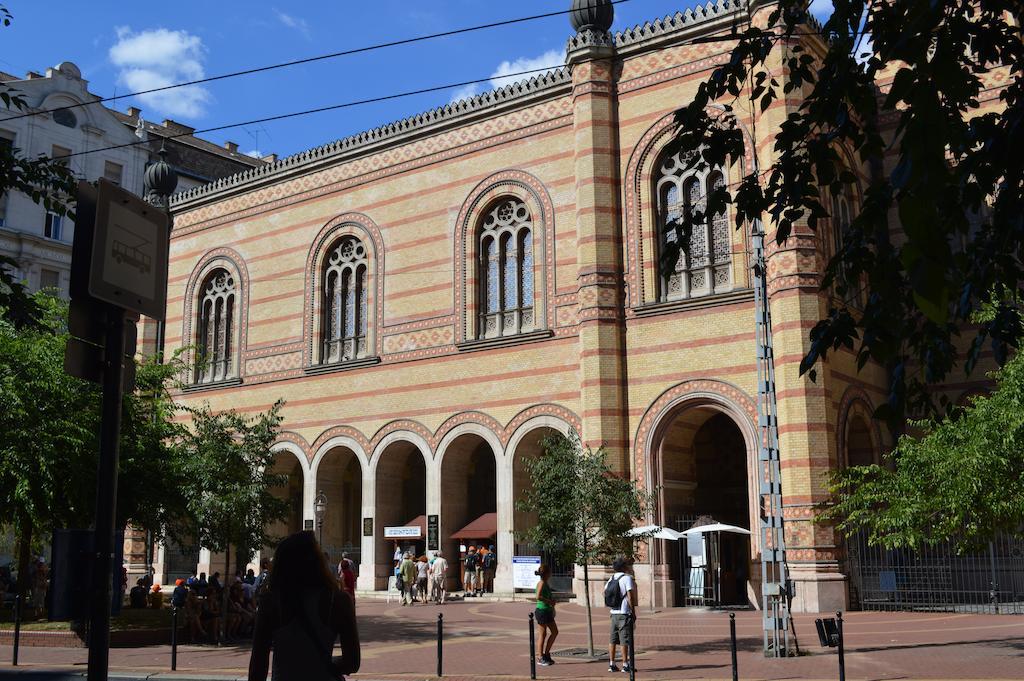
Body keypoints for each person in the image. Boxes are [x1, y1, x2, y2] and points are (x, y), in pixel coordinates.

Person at [248, 531, 360, 681]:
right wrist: (325, 663)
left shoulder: (271, 601)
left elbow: (258, 664)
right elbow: (352, 662)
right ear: (318, 561)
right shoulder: (339, 601)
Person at [606, 557, 638, 673]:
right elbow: (630, 596)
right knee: (625, 640)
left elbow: (604, 592)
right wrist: (633, 611)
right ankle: (625, 665)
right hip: (624, 613)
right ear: (624, 567)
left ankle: (612, 664)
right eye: (627, 565)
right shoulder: (626, 579)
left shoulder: (611, 578)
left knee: (613, 640)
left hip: (613, 613)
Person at [534, 564, 558, 666]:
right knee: (542, 634)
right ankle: (540, 656)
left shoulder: (546, 583)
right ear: (547, 573)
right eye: (550, 572)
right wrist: (549, 602)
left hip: (547, 610)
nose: (551, 574)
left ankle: (546, 653)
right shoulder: (542, 583)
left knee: (554, 632)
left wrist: (552, 606)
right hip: (542, 611)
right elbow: (538, 596)